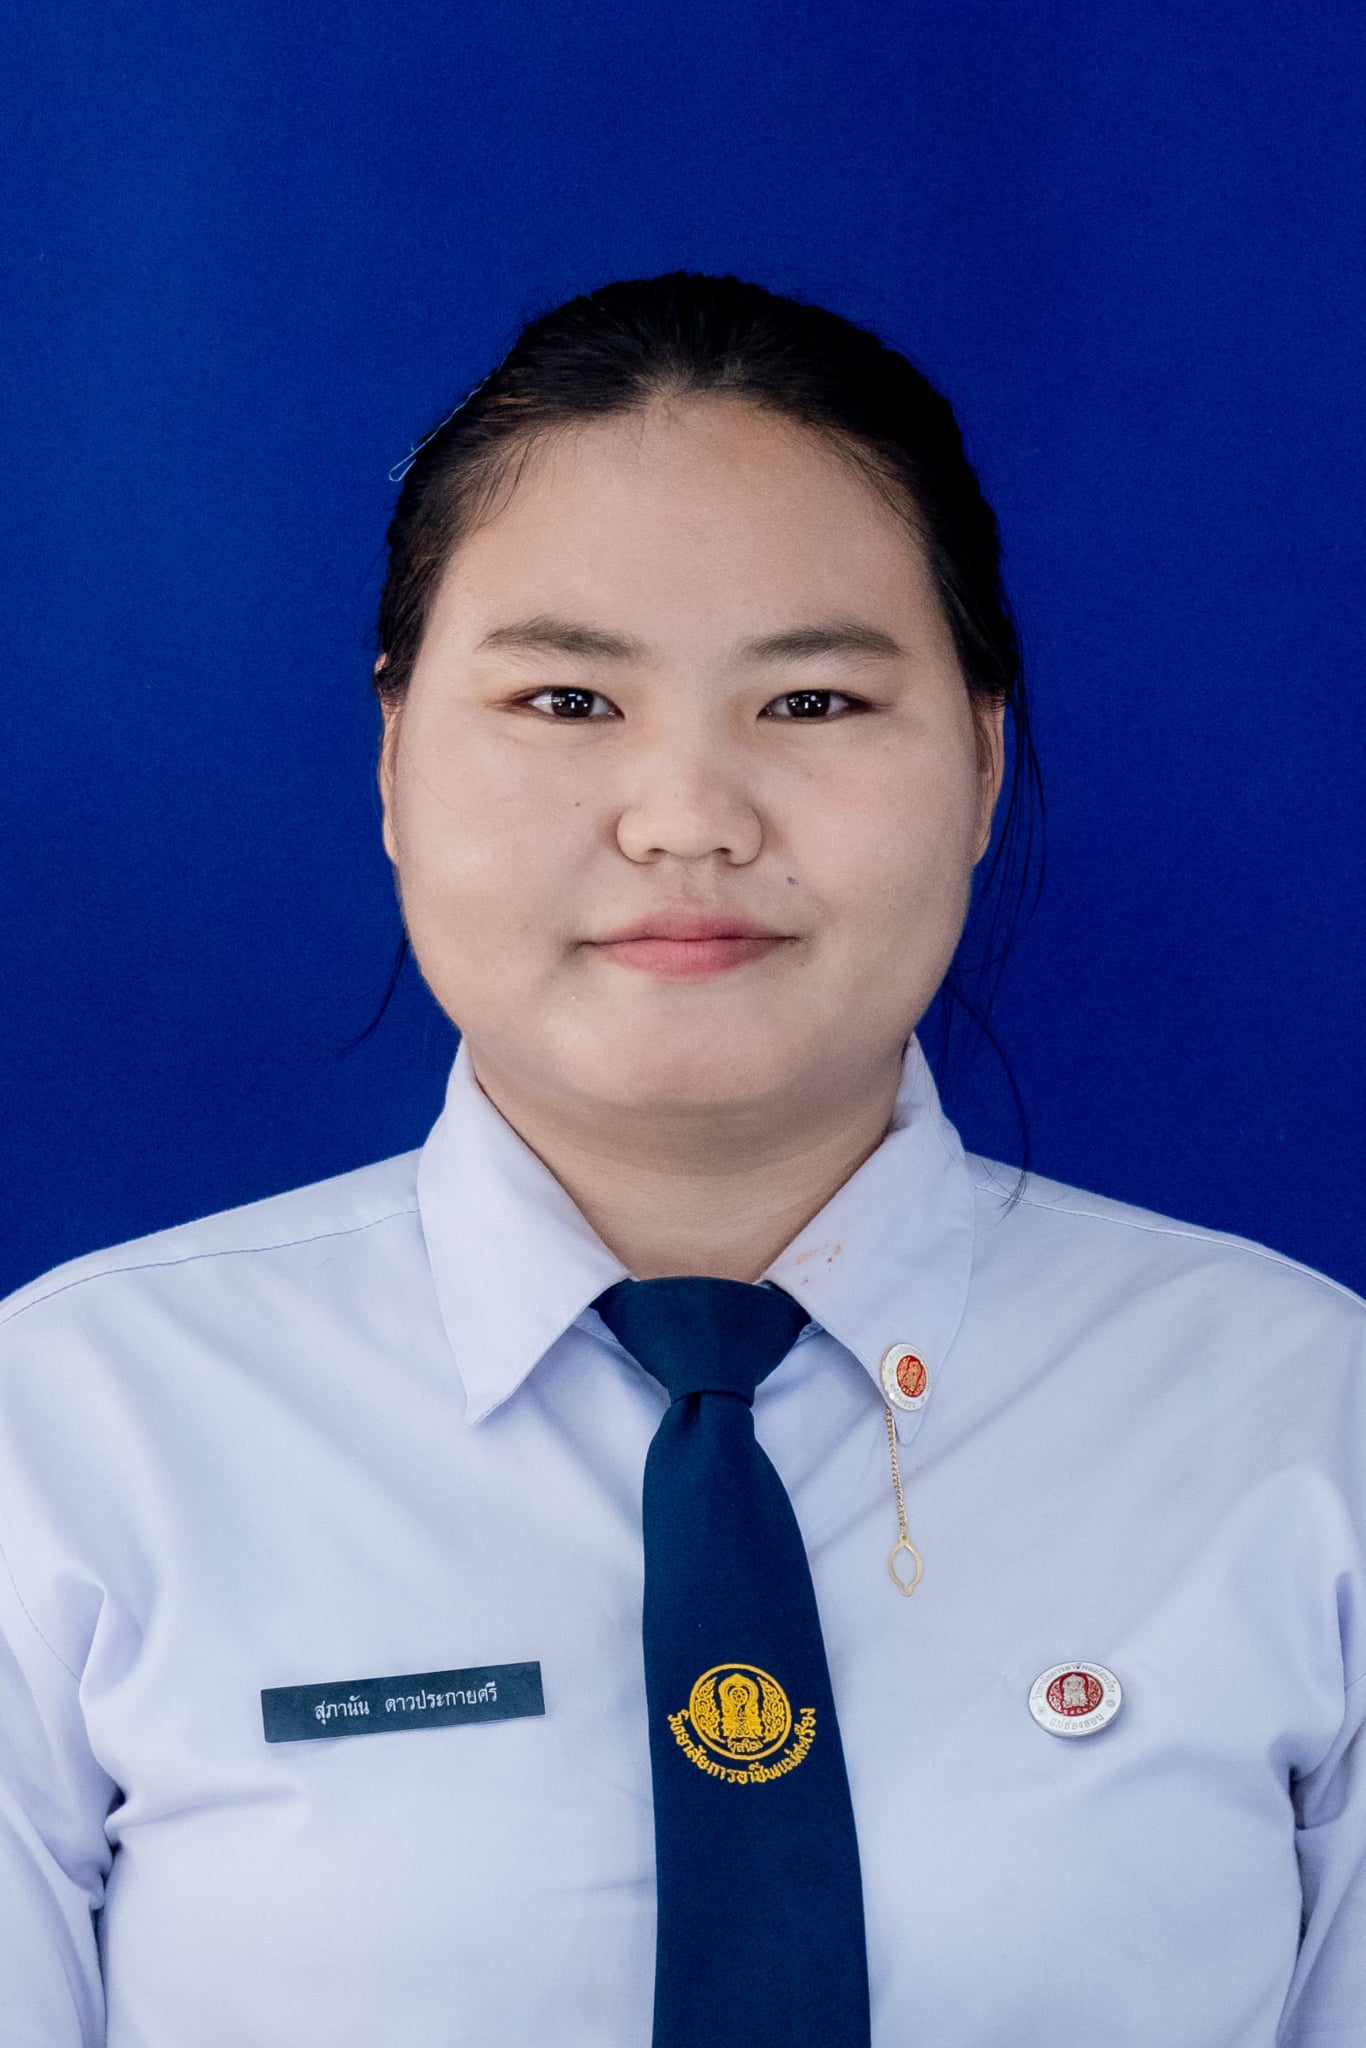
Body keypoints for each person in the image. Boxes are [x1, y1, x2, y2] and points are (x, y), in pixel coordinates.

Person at [1, 269, 1362, 2048]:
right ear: (394, 758)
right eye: (568, 700)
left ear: (981, 763)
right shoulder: (69, 1437)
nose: (687, 820)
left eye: (813, 703)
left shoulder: (1301, 1424)